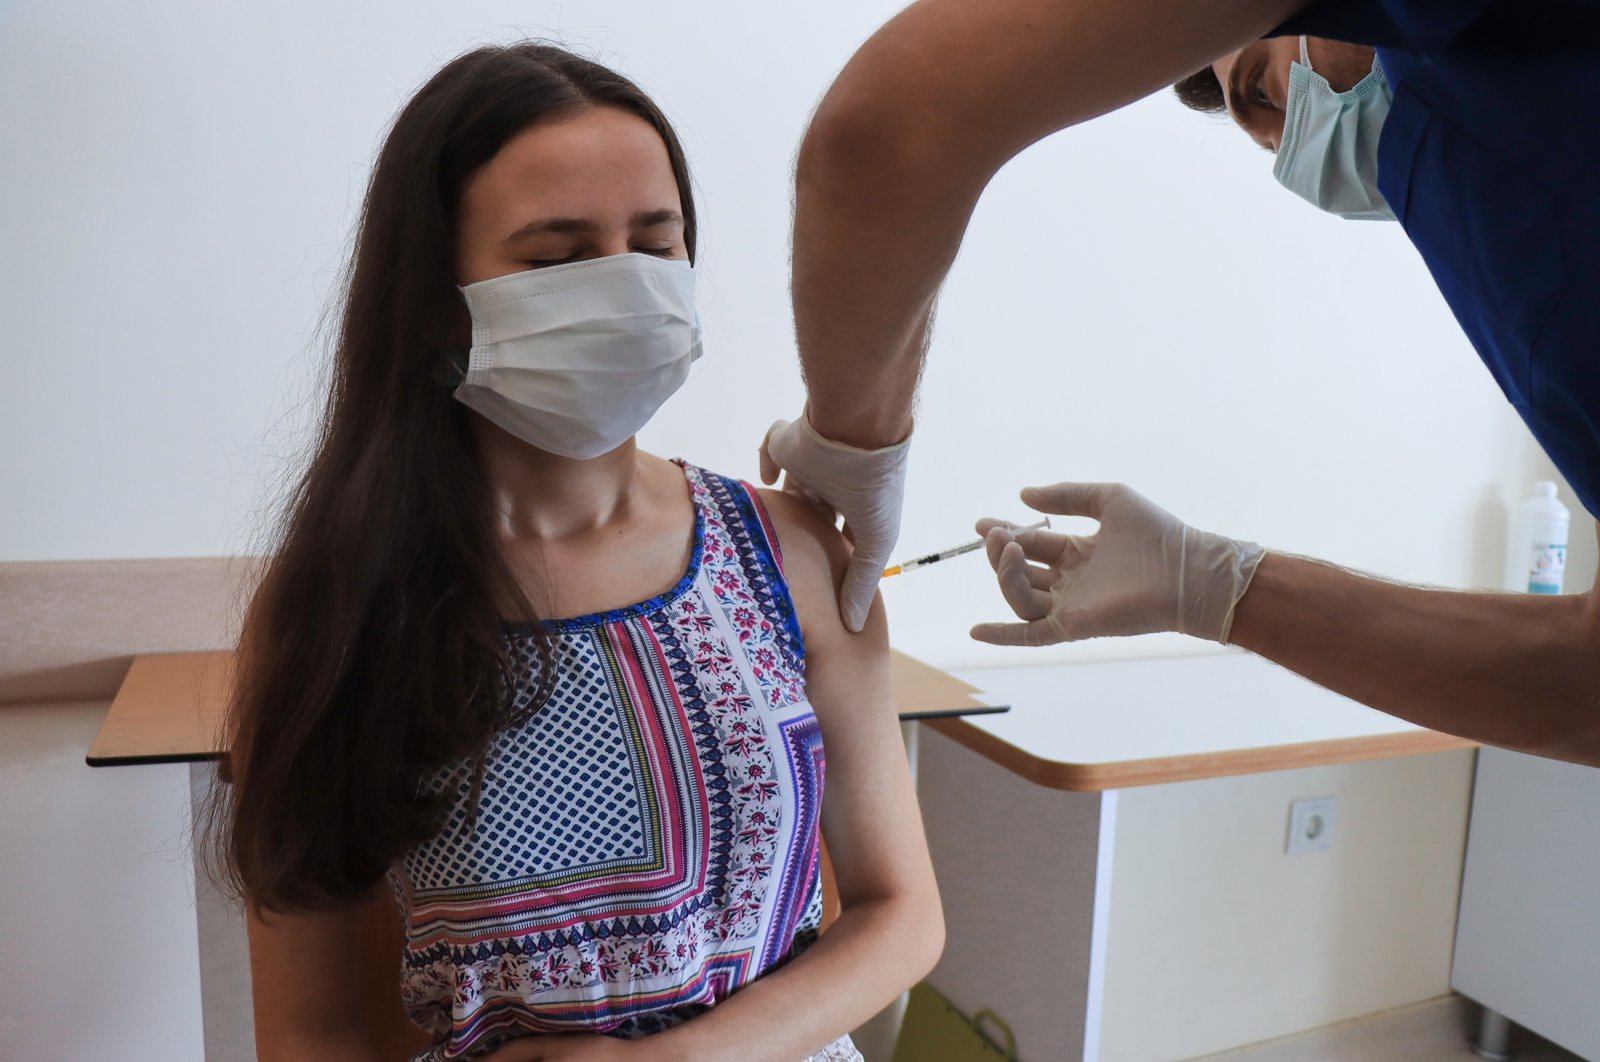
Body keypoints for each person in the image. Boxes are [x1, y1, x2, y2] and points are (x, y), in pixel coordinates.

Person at [210, 42, 941, 1062]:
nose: (622, 288)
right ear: (432, 294)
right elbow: (309, 1030)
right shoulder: (331, 611)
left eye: (654, 243)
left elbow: (901, 913)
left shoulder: (794, 554)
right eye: (555, 260)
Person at [760, 0, 1600, 766]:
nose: (1288, 149)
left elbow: (891, 126)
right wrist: (1210, 585)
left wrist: (853, 438)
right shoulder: (1499, 189)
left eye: (1258, 90)